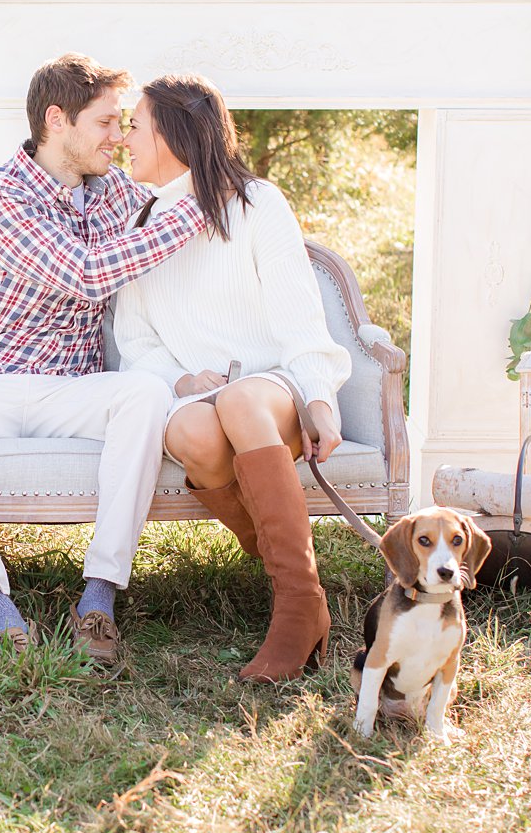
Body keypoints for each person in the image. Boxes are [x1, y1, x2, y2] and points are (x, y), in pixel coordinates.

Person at [0, 53, 208, 659]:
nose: (119, 137)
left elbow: (186, 199)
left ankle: (100, 595)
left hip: (72, 389)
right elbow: (84, 275)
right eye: (106, 123)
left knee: (143, 393)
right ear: (57, 120)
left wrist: (218, 185)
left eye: (122, 125)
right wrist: (192, 214)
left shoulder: (116, 194)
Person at [113, 73, 352, 683]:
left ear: (173, 132)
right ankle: (292, 580)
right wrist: (180, 378)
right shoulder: (139, 227)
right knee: (191, 432)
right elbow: (136, 339)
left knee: (242, 401)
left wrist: (320, 397)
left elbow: (300, 313)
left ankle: (298, 608)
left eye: (136, 126)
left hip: (273, 388)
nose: (126, 140)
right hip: (204, 393)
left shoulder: (257, 204)